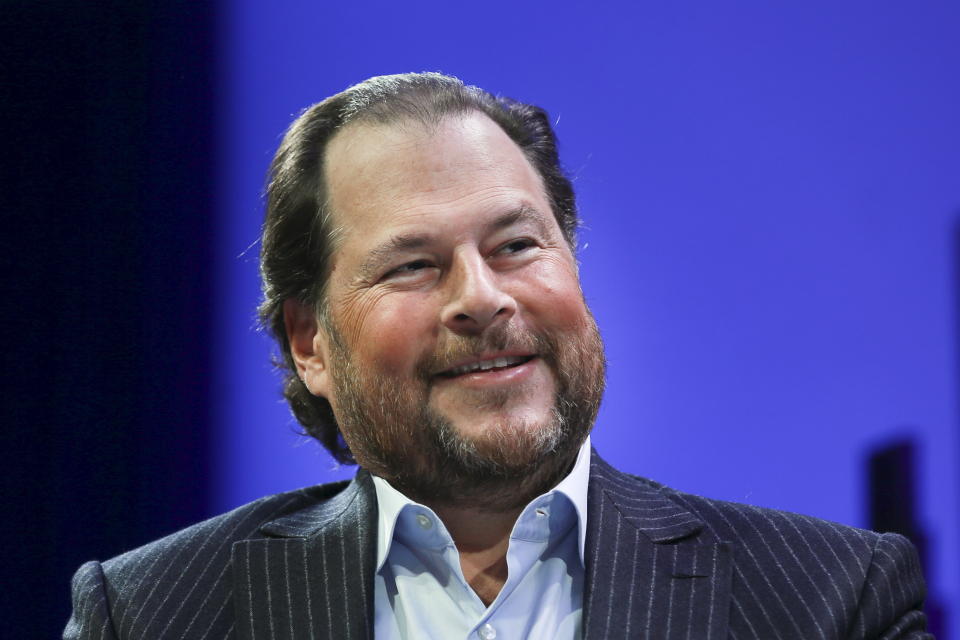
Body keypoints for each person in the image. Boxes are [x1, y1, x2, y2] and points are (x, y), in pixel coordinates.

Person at [65, 73, 931, 639]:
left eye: (517, 245)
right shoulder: (148, 615)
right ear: (310, 342)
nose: (482, 297)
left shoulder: (829, 602)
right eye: (413, 265)